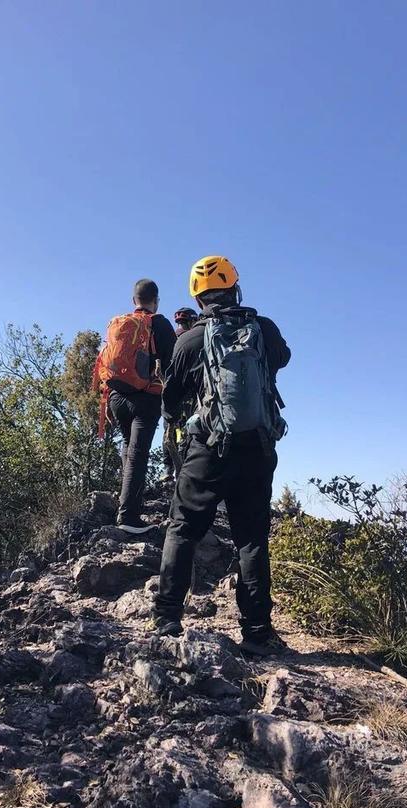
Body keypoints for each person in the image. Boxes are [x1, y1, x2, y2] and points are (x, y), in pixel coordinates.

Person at [151, 256, 291, 655]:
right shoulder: (263, 329)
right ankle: (258, 631)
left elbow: (172, 397)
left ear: (198, 298)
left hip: (209, 449)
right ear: (235, 288)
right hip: (258, 448)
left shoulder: (191, 339)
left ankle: (167, 618)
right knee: (251, 539)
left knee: (183, 528)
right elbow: (283, 359)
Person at [95, 278, 176, 534]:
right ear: (156, 300)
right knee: (138, 453)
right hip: (146, 398)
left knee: (129, 449)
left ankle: (127, 506)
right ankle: (129, 516)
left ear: (134, 301)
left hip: (117, 397)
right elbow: (173, 362)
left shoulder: (120, 324)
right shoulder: (159, 323)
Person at [159, 308, 199, 483]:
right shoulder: (194, 339)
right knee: (187, 432)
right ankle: (184, 470)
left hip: (169, 392)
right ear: (192, 321)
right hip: (189, 393)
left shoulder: (171, 339)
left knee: (169, 430)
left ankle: (168, 469)